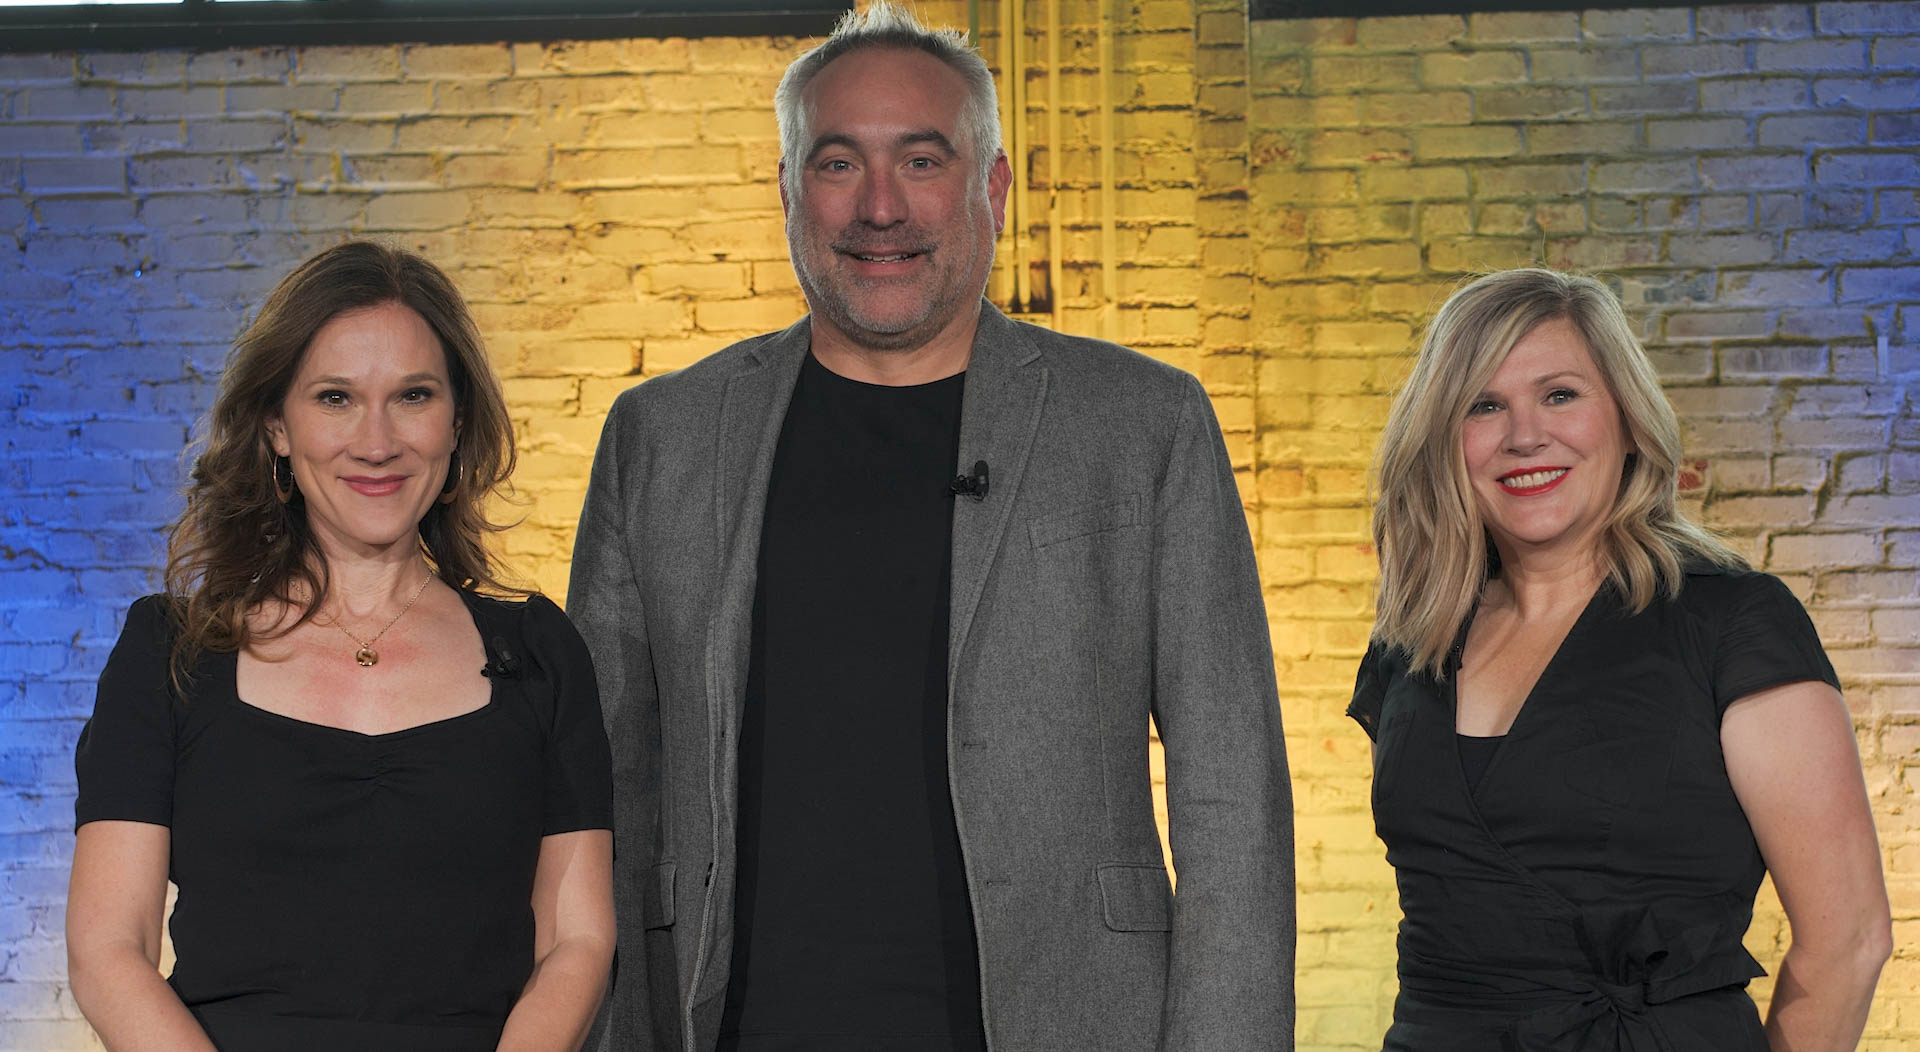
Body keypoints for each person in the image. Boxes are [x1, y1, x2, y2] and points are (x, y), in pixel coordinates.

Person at [568, 4, 1294, 1051]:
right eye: (836, 164)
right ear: (786, 192)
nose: (879, 207)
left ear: (992, 187)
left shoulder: (1145, 424)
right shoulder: (663, 436)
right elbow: (606, 794)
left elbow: (1235, 804)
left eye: (921, 159)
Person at [66, 241, 616, 1052]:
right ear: (276, 427)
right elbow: (107, 951)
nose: (377, 441)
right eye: (335, 398)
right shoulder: (171, 652)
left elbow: (578, 941)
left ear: (456, 422)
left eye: (413, 397)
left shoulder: (540, 650)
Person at [1350, 268, 1891, 1050]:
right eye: (1483, 405)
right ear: (1444, 438)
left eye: (1560, 394)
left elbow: (1850, 942)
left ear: (1629, 419)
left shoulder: (1735, 623)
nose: (1525, 434)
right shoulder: (1412, 642)